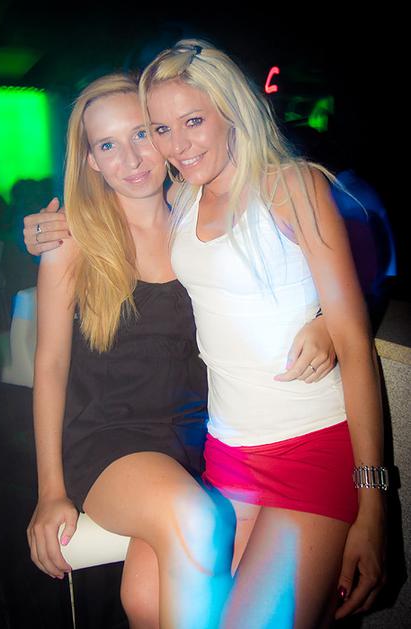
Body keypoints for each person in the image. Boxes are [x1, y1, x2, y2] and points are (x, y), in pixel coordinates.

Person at [24, 72, 336, 629]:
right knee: (194, 521)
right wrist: (50, 491)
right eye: (107, 145)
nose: (130, 158)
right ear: (90, 160)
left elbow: (305, 266)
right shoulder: (72, 241)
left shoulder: (199, 220)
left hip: (203, 442)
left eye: (142, 134)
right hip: (110, 443)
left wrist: (326, 319)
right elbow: (49, 367)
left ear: (164, 135)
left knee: (150, 603)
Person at [136, 39, 387, 628]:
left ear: (232, 111)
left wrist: (374, 506)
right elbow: (118, 224)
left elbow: (356, 343)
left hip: (312, 446)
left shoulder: (292, 186)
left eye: (193, 121)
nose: (178, 145)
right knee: (150, 604)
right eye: (162, 128)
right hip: (226, 452)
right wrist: (54, 227)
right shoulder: (181, 197)